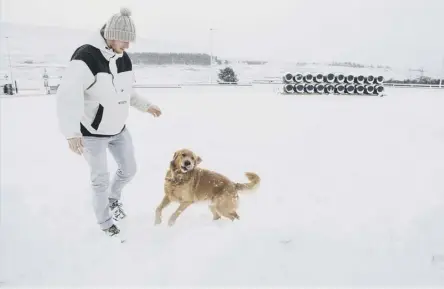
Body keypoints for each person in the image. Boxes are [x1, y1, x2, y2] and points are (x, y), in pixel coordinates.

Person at [56, 7, 162, 237]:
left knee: (130, 170)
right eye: (125, 41)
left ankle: (113, 200)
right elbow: (68, 95)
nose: (128, 46)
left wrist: (146, 106)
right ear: (111, 34)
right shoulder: (86, 57)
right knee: (100, 180)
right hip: (92, 133)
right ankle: (105, 223)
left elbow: (126, 93)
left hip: (119, 130)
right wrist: (72, 133)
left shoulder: (123, 58)